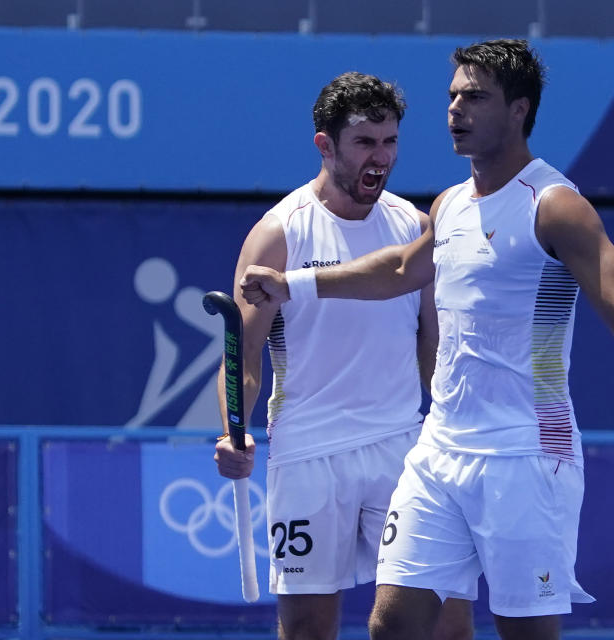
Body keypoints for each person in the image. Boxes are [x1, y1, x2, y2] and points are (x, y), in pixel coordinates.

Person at [239, 40, 614, 640]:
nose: (456, 109)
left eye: (475, 97)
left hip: (526, 453)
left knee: (523, 632)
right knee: (395, 625)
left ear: (518, 110)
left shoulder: (556, 206)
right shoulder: (450, 204)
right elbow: (402, 271)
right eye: (453, 95)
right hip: (438, 453)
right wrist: (293, 284)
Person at [213, 72, 474, 640]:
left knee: (447, 624)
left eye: (390, 142)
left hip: (402, 451)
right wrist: (234, 430)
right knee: (308, 630)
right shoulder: (278, 234)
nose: (380, 158)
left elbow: (434, 341)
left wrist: (446, 428)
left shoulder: (414, 227)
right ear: (325, 144)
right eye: (365, 143)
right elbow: (244, 354)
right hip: (308, 453)